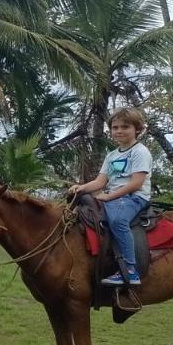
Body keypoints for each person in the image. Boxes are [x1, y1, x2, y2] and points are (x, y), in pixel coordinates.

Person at [68, 106, 153, 286]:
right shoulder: (112, 155)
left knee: (118, 221)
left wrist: (109, 196)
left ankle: (131, 271)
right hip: (114, 197)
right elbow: (100, 182)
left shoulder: (140, 152)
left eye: (125, 127)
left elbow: (137, 183)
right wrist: (80, 187)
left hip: (135, 197)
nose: (119, 131)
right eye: (115, 127)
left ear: (137, 129)